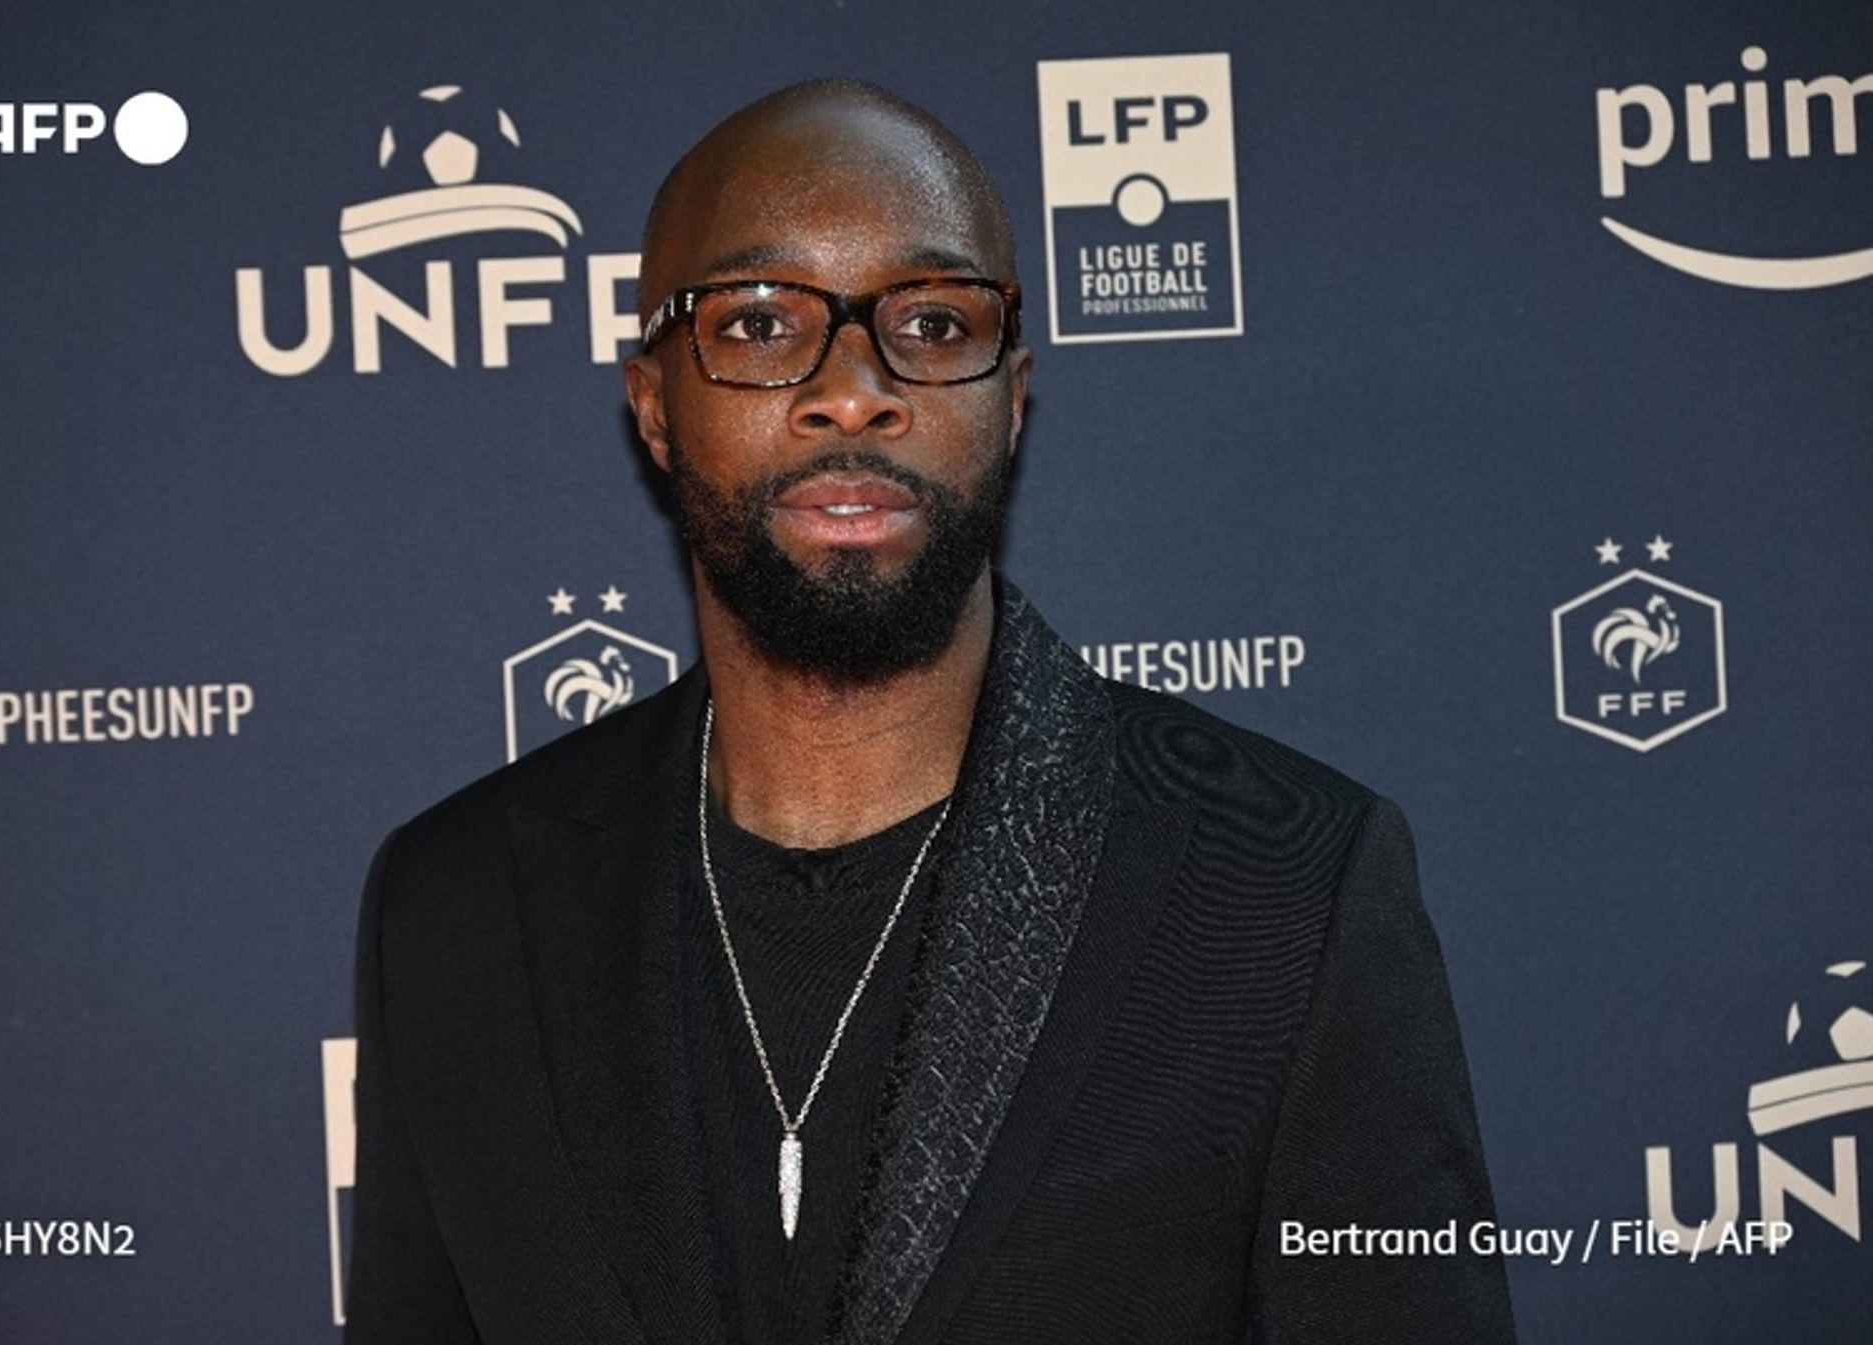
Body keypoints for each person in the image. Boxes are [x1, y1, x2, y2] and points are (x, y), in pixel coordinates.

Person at [345, 79, 1516, 1345]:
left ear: (1010, 397)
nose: (852, 392)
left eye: (931, 319)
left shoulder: (1286, 885)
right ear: (651, 407)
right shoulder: (456, 906)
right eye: (753, 321)